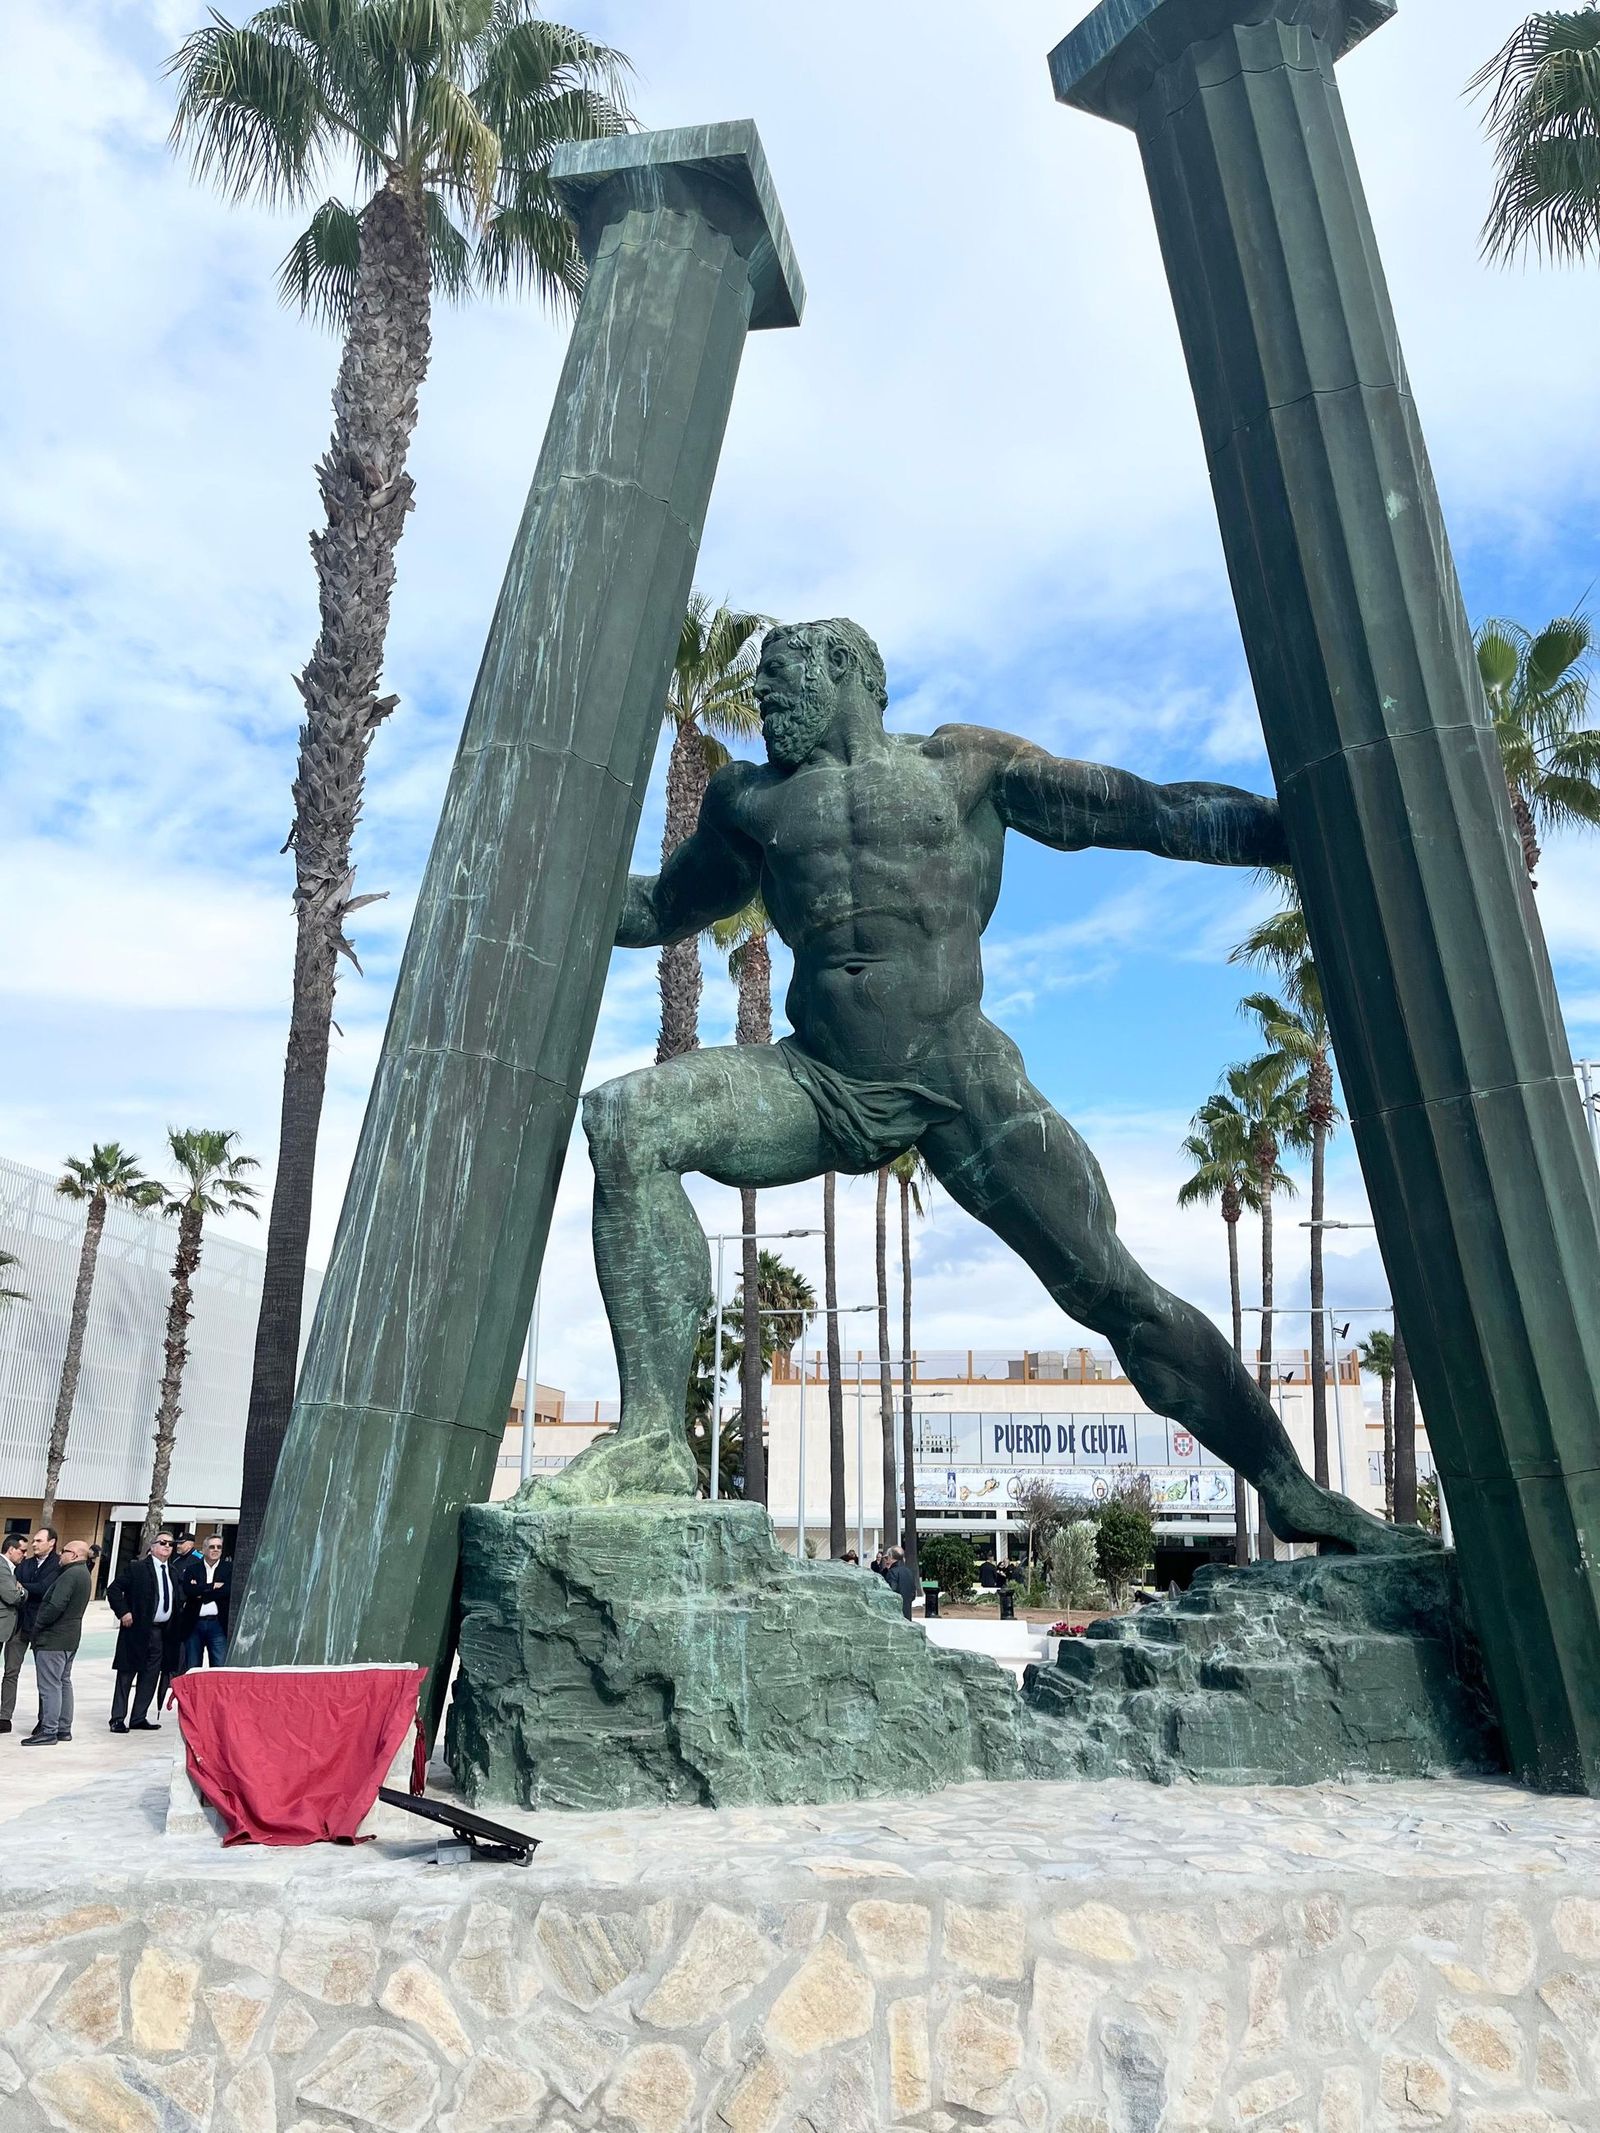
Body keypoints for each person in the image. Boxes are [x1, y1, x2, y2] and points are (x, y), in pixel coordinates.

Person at [533, 618, 1425, 1560]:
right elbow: (659, 910)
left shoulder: (962, 768)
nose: (765, 701)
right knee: (628, 1122)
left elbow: (1146, 810)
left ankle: (1289, 1488)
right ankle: (653, 1440)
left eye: (783, 680)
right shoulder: (746, 802)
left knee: (1117, 1295)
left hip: (959, 1077)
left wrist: (1295, 836)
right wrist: (538, 882)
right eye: (759, 686)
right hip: (819, 1077)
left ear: (849, 672)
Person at [107, 1532, 182, 1732]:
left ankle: (139, 1717)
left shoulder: (172, 1572)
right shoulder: (137, 1568)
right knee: (126, 1674)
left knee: (151, 1675)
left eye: (171, 1544)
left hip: (160, 1632)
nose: (167, 1546)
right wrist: (123, 1612)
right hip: (137, 1630)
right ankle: (117, 1718)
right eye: (163, 1543)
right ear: (153, 1545)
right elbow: (114, 1590)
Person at [23, 1539, 92, 1746]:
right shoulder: (84, 1574)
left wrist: (38, 1626)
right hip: (70, 1638)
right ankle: (63, 1728)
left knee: (50, 1685)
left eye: (64, 1551)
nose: (60, 1554)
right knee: (63, 1682)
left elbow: (55, 1605)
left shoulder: (70, 1575)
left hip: (54, 1638)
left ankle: (49, 1730)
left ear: (74, 1555)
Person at [178, 1535, 231, 1671]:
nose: (215, 1550)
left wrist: (201, 1590)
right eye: (212, 1547)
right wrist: (212, 1586)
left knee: (219, 1667)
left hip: (218, 1624)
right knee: (192, 1667)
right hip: (194, 1624)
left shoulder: (229, 1569)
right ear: (204, 1549)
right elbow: (188, 1590)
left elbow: (227, 1591)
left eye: (219, 1547)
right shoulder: (192, 1569)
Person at [0, 1535, 25, 1735]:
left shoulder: (15, 1569)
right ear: (10, 1549)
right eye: (22, 1551)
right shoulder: (1, 1566)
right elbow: (10, 1596)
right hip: (3, 1627)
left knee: (11, 1673)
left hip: (14, 1628)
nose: (24, 1555)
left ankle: (4, 1717)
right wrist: (23, 1593)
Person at [884, 1545, 917, 1622]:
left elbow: (891, 1592)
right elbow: (913, 1594)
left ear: (891, 1556)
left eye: (887, 1557)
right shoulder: (909, 1572)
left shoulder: (892, 1572)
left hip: (895, 1615)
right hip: (907, 1613)